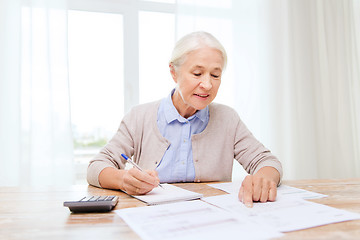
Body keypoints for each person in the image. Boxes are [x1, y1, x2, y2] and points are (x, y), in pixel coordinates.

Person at [87, 31, 282, 207]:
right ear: (174, 72)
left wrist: (263, 179)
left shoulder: (227, 119)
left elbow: (267, 161)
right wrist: (123, 179)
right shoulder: (139, 117)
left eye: (215, 75)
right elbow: (97, 167)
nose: (207, 84)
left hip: (213, 219)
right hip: (153, 220)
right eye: (197, 73)